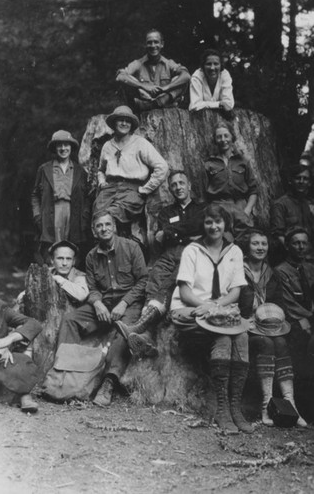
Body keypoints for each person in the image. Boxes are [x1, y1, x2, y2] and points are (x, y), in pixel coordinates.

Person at [170, 204, 253, 433]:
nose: (214, 226)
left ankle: (235, 407)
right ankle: (222, 409)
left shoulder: (234, 251)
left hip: (219, 310)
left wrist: (216, 308)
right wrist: (206, 306)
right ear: (203, 225)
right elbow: (185, 292)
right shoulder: (192, 250)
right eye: (209, 222)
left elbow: (235, 292)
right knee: (224, 338)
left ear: (225, 224)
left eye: (218, 222)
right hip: (190, 308)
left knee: (242, 336)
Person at [54, 211, 148, 407]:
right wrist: (97, 303)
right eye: (99, 226)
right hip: (104, 304)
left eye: (107, 224)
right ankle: (62, 372)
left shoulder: (131, 248)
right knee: (70, 320)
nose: (104, 229)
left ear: (114, 227)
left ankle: (109, 382)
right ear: (94, 230)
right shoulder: (91, 257)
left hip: (129, 304)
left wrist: (124, 303)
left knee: (125, 333)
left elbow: (143, 281)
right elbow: (93, 287)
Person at [115, 170, 205, 357]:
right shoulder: (166, 212)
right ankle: (146, 335)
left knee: (172, 282)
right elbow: (162, 234)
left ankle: (142, 328)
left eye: (182, 183)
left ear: (189, 186)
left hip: (192, 252)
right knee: (154, 279)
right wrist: (184, 231)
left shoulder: (201, 209)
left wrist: (174, 231)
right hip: (169, 253)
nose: (178, 187)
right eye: (174, 185)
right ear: (170, 189)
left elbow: (195, 226)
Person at [238, 229, 307, 427]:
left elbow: (279, 303)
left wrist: (274, 317)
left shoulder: (271, 273)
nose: (260, 248)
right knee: (266, 343)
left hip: (267, 325)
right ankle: (266, 406)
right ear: (247, 247)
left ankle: (291, 405)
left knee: (281, 342)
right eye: (255, 243)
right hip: (244, 324)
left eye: (264, 244)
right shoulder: (238, 272)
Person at [93, 105, 168, 236]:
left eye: (127, 121)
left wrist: (146, 189)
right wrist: (102, 182)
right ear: (114, 123)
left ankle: (120, 251)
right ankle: (102, 253)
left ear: (132, 125)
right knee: (98, 217)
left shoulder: (140, 143)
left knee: (111, 216)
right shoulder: (107, 146)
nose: (124, 123)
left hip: (131, 190)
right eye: (120, 120)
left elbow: (162, 166)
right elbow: (101, 170)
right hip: (109, 189)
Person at [31, 130, 91, 265]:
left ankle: (70, 283)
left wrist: (85, 216)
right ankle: (51, 281)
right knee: (51, 250)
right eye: (59, 145)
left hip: (73, 213)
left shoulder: (79, 171)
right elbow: (35, 195)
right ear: (54, 148)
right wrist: (37, 215)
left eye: (66, 145)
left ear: (71, 147)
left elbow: (87, 197)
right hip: (51, 212)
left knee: (71, 249)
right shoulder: (45, 169)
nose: (63, 148)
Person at [205, 123, 257, 240]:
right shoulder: (209, 164)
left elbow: (253, 190)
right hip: (219, 207)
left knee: (246, 242)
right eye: (219, 137)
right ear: (215, 140)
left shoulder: (242, 161)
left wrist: (247, 210)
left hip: (241, 206)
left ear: (232, 137)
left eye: (226, 136)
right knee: (225, 244)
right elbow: (203, 194)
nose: (223, 140)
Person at [116, 29, 190, 112]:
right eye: (149, 42)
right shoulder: (137, 63)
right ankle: (154, 104)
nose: (153, 45)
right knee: (127, 79)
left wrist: (165, 88)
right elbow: (120, 76)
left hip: (164, 102)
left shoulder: (169, 63)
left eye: (156, 42)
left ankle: (161, 101)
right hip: (143, 103)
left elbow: (186, 75)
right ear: (145, 45)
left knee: (181, 79)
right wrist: (143, 86)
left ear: (162, 44)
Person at [274, 227, 314, 380]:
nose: (301, 247)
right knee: (301, 339)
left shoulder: (311, 268)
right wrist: (304, 318)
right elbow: (287, 301)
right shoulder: (281, 271)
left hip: (310, 315)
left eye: (304, 243)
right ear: (287, 246)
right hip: (293, 317)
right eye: (296, 243)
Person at [0, 300, 42, 413]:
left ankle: (23, 393)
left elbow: (34, 324)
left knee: (22, 340)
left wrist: (6, 341)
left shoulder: (1, 308)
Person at [271, 164, 314, 246]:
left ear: (309, 183)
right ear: (290, 181)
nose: (301, 181)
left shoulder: (310, 204)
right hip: (289, 254)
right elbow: (278, 235)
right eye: (298, 178)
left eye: (305, 179)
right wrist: (294, 251)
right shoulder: (280, 204)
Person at [189, 49, 234, 113]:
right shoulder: (197, 77)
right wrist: (219, 104)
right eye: (208, 64)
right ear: (203, 66)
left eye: (216, 64)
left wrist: (205, 105)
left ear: (221, 65)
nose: (212, 68)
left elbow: (228, 104)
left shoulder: (225, 75)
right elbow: (194, 105)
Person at [49, 240, 89, 304]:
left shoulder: (80, 276)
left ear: (74, 261)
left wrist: (60, 279)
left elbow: (81, 295)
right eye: (60, 258)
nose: (64, 263)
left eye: (68, 259)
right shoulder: (48, 272)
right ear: (52, 260)